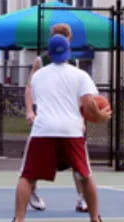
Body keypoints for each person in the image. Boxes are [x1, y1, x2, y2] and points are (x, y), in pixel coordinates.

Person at [13, 35, 111, 222]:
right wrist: (100, 117)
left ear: (48, 53)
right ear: (69, 52)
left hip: (43, 129)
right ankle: (95, 219)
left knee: (27, 176)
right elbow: (89, 104)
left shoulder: (38, 76)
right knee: (85, 175)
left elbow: (35, 97)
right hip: (71, 130)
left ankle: (18, 219)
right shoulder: (80, 75)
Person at [24, 23, 89, 212]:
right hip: (46, 119)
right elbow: (29, 87)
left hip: (70, 121)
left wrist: (83, 119)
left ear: (69, 40)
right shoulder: (41, 61)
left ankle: (81, 197)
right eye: (57, 36)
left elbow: (81, 95)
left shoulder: (75, 64)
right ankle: (32, 192)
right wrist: (30, 110)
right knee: (37, 162)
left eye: (64, 36)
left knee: (78, 163)